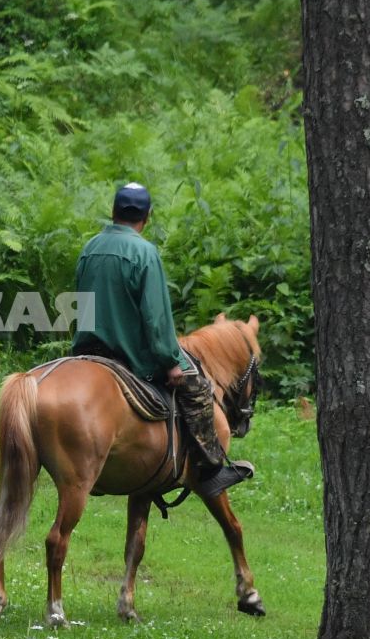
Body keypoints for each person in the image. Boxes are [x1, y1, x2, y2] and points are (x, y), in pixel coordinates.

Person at [71, 184, 252, 498]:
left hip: (86, 351)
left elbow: (79, 302)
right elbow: (156, 320)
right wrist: (170, 361)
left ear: (113, 212)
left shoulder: (90, 247)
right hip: (130, 357)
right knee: (198, 389)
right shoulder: (145, 253)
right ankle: (211, 469)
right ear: (147, 217)